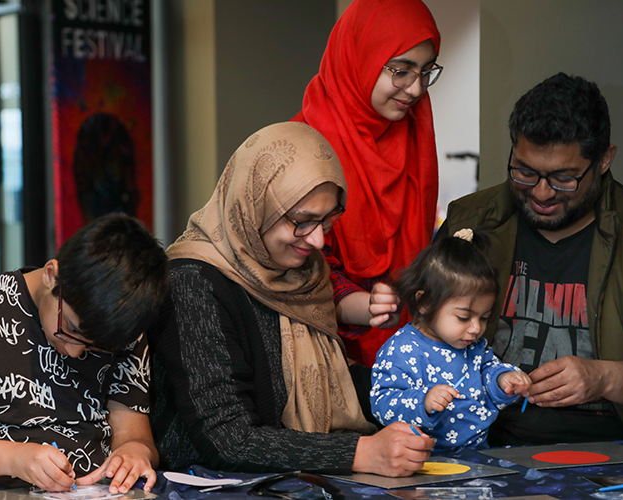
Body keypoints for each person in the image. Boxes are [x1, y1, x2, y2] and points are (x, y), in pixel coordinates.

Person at [150, 122, 435, 477]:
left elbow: (336, 381)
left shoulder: (303, 271)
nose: (317, 241)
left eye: (327, 221)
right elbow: (227, 438)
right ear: (255, 206)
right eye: (302, 221)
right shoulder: (191, 280)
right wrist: (360, 453)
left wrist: (423, 391)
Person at [440, 73, 623, 445]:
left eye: (563, 178)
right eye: (524, 171)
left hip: (614, 447)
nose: (541, 192)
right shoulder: (468, 223)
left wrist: (602, 378)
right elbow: (424, 332)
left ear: (604, 160)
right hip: (479, 442)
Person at [0, 213, 169, 494]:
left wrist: (136, 452)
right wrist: (15, 459)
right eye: (70, 328)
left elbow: (133, 434)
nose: (75, 352)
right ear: (52, 276)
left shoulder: (124, 328)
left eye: (95, 347)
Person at [293, 0, 443, 367]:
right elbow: (292, 264)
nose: (415, 89)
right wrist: (356, 305)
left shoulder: (413, 132)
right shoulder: (302, 144)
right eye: (401, 71)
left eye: (426, 72)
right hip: (323, 351)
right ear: (358, 58)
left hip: (406, 350)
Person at [371, 229, 531, 452]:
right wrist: (423, 401)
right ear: (425, 302)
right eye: (463, 317)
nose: (476, 328)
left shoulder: (473, 346)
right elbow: (382, 404)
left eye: (484, 317)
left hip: (478, 454)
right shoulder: (402, 350)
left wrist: (503, 380)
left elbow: (489, 372)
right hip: (422, 460)